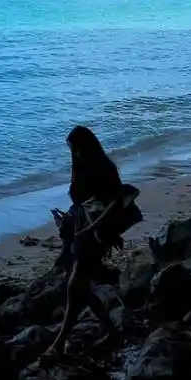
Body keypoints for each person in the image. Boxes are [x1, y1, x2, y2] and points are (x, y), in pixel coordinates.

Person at [45, 126, 141, 357]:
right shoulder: (83, 167)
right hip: (80, 231)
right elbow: (83, 203)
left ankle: (59, 343)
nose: (72, 154)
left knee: (75, 283)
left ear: (83, 147)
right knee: (79, 286)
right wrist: (67, 221)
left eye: (74, 149)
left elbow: (115, 201)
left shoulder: (103, 169)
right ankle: (111, 331)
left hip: (95, 234)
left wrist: (95, 226)